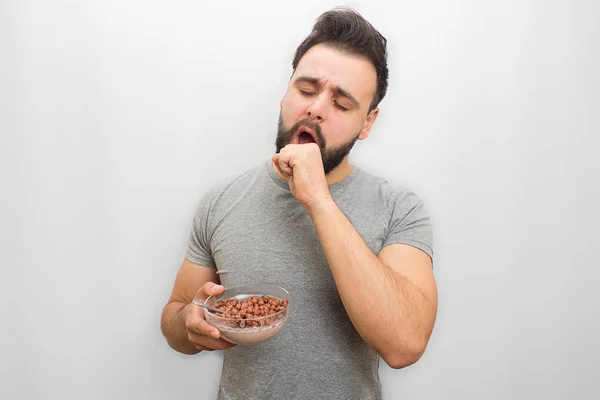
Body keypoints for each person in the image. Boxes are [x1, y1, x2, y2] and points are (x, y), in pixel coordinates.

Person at [160, 7, 437, 400]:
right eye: (306, 90)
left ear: (367, 123)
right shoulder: (222, 200)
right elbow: (174, 317)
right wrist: (188, 322)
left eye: (341, 104)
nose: (316, 108)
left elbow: (405, 345)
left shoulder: (399, 209)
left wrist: (319, 201)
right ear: (286, 93)